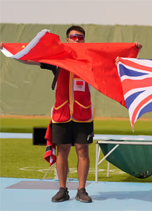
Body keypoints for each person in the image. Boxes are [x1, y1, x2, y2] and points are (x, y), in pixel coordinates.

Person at [0, 26, 142, 203]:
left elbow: (112, 59)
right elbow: (31, 58)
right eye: (73, 36)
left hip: (83, 114)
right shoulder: (57, 59)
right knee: (63, 151)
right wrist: (9, 49)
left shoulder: (90, 60)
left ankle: (82, 190)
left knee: (83, 151)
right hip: (62, 113)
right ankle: (62, 189)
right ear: (67, 39)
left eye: (80, 37)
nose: (76, 39)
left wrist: (132, 48)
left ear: (83, 40)